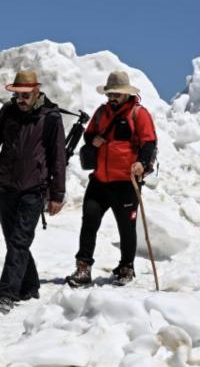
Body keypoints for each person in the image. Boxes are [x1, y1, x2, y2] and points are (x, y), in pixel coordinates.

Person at [0, 71, 68, 312]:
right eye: (17, 94)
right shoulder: (7, 112)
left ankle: (7, 294)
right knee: (13, 241)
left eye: (25, 95)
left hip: (34, 190)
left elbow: (58, 159)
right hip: (6, 188)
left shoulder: (50, 117)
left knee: (19, 241)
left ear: (36, 92)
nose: (20, 99)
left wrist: (57, 194)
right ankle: (30, 286)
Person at [66, 71, 157, 287]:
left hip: (126, 182)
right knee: (89, 221)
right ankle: (83, 267)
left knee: (126, 227)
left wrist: (141, 164)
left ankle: (126, 267)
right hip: (99, 180)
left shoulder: (139, 114)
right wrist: (93, 140)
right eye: (110, 94)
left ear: (126, 93)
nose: (113, 98)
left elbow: (149, 143)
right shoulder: (101, 113)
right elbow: (89, 136)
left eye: (116, 94)